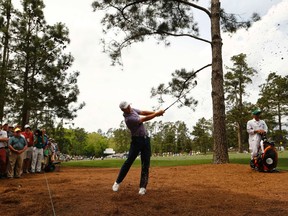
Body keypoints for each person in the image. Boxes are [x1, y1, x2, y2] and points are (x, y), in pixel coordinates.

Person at [112, 101, 165, 195]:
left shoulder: (132, 110)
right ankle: (117, 182)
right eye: (127, 107)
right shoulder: (129, 119)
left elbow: (143, 112)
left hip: (145, 140)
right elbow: (144, 119)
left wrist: (156, 112)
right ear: (123, 110)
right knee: (129, 161)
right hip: (136, 141)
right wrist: (157, 114)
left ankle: (142, 187)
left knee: (145, 163)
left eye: (129, 105)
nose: (129, 107)